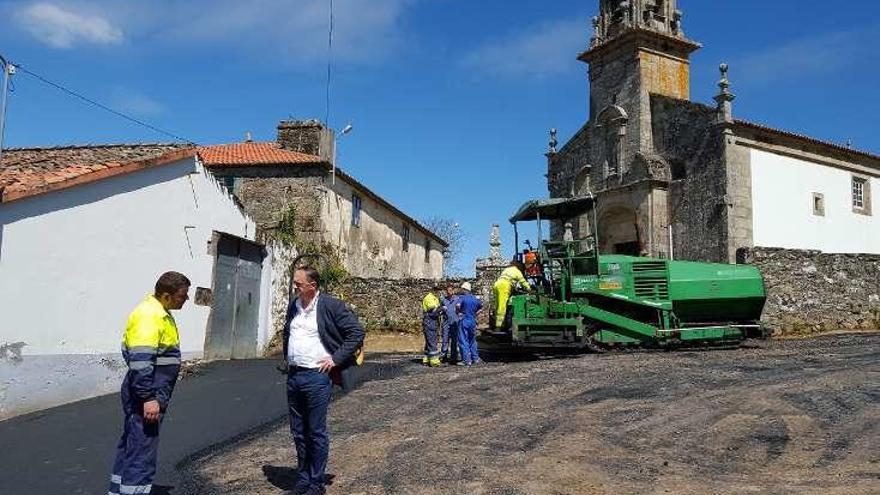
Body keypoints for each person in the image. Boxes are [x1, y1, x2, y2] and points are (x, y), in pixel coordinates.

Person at [283, 266, 365, 495]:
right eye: (295, 283)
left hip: (316, 377)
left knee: (315, 430)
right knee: (298, 431)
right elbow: (287, 333)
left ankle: (316, 483)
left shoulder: (330, 305)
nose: (295, 286)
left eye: (299, 283)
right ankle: (303, 478)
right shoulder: (294, 305)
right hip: (294, 375)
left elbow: (356, 332)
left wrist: (336, 359)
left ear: (313, 285)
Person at [109, 271, 190, 495]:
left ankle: (118, 490)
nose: (186, 299)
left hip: (148, 390)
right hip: (148, 392)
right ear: (166, 295)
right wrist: (149, 397)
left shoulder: (159, 312)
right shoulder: (149, 316)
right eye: (183, 295)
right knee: (142, 449)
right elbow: (140, 360)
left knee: (132, 445)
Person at [492, 260, 531, 329]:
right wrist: (529, 289)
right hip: (504, 286)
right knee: (502, 306)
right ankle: (499, 326)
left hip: (496, 284)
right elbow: (523, 282)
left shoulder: (507, 269)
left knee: (497, 305)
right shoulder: (517, 271)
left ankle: (496, 323)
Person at [456, 281, 483, 366]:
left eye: (462, 289)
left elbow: (457, 306)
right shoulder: (475, 298)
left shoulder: (462, 297)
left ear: (465, 289)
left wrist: (458, 312)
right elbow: (481, 308)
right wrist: (475, 314)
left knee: (463, 340)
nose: (461, 290)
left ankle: (466, 360)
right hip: (472, 321)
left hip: (464, 320)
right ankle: (475, 358)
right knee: (472, 340)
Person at [421, 285, 443, 367]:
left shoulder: (435, 298)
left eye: (438, 290)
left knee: (429, 341)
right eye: (436, 290)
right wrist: (442, 309)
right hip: (429, 321)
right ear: (433, 289)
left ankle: (426, 358)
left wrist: (440, 310)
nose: (438, 291)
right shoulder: (429, 298)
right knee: (432, 340)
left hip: (432, 321)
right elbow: (432, 310)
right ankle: (434, 360)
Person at [440, 284, 460, 364]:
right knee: (445, 340)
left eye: (450, 290)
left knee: (454, 341)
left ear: (453, 291)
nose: (449, 292)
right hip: (446, 323)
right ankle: (443, 356)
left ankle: (453, 357)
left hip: (455, 323)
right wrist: (441, 309)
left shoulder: (458, 299)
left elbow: (461, 309)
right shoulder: (443, 300)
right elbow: (440, 309)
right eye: (447, 291)